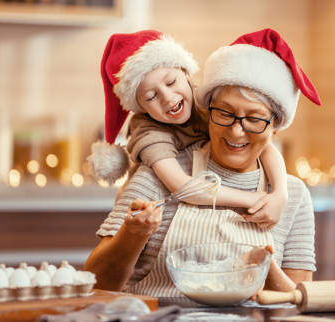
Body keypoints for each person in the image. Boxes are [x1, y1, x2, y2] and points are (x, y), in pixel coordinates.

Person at [85, 28, 321, 297]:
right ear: (207, 111)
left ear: (275, 126)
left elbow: (301, 301)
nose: (236, 131)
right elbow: (97, 284)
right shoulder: (156, 177)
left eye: (254, 119)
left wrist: (264, 270)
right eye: (224, 113)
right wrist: (133, 234)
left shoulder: (294, 196)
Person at [88, 30, 289, 229]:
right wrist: (254, 199)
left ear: (185, 73)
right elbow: (182, 187)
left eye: (171, 82)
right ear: (140, 107)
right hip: (157, 215)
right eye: (151, 96)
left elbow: (266, 146)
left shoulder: (209, 102)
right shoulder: (149, 132)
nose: (167, 97)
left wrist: (280, 194)